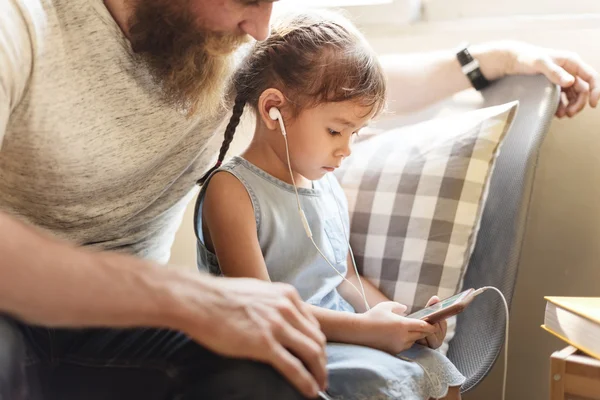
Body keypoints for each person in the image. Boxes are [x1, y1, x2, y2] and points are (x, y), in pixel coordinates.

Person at [0, 0, 598, 399]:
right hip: (18, 310)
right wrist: (197, 298)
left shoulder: (217, 49)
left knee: (271, 379)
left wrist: (495, 59)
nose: (260, 28)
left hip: (133, 323)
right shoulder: (23, 23)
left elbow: (346, 91)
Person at [194, 10, 465, 399]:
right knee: (379, 382)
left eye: (355, 133)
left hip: (340, 337)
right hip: (276, 348)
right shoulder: (232, 191)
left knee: (438, 370)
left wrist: (404, 321)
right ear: (275, 110)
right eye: (336, 130)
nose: (346, 149)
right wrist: (367, 331)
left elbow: (344, 277)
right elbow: (261, 309)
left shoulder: (326, 184)